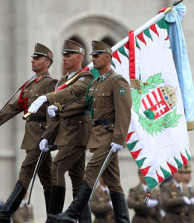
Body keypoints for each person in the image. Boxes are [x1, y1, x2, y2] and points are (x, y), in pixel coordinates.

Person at [48, 40, 132, 223]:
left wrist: (119, 138)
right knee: (113, 181)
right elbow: (83, 104)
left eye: (96, 55)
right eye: (92, 55)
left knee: (91, 171)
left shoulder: (117, 81)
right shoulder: (95, 83)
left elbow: (124, 112)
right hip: (98, 135)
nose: (92, 59)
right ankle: (123, 220)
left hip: (109, 136)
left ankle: (71, 213)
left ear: (107, 58)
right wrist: (60, 109)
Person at [0, 43, 57, 222]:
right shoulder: (31, 83)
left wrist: (49, 137)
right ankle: (53, 217)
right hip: (32, 136)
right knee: (48, 179)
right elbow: (15, 105)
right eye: (33, 57)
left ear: (47, 62)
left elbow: (53, 113)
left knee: (26, 170)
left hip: (41, 136)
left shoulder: (49, 83)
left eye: (37, 58)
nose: (32, 60)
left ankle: (6, 212)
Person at [29, 40, 93, 223]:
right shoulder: (63, 80)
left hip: (78, 134)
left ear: (79, 58)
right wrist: (46, 137)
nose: (64, 58)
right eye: (63, 55)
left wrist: (46, 98)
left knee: (56, 167)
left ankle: (54, 217)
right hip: (66, 135)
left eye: (68, 55)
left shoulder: (85, 77)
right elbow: (55, 114)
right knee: (77, 179)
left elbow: (73, 93)